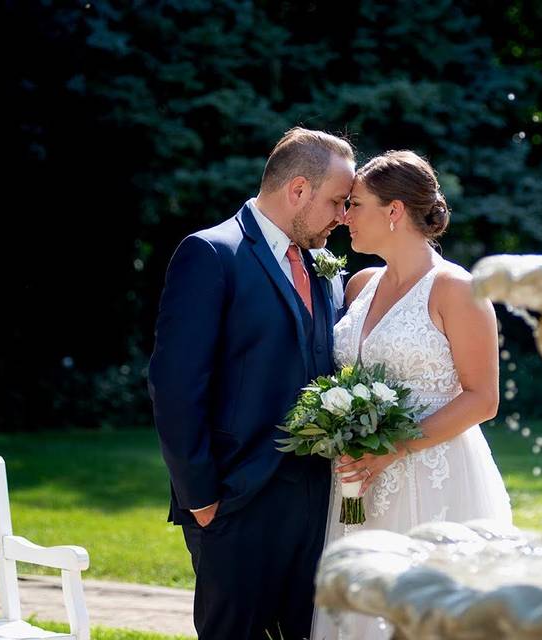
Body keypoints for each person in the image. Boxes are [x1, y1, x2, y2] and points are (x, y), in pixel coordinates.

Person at [148, 127, 354, 640]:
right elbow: (175, 387)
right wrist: (202, 500)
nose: (343, 216)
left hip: (314, 503)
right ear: (299, 190)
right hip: (235, 502)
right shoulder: (211, 254)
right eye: (337, 201)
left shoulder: (323, 269)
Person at [314, 150, 512, 640]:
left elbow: (482, 398)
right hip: (358, 481)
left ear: (394, 211)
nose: (344, 217)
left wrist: (392, 448)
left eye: (355, 204)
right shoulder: (360, 284)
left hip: (434, 477)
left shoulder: (458, 289)